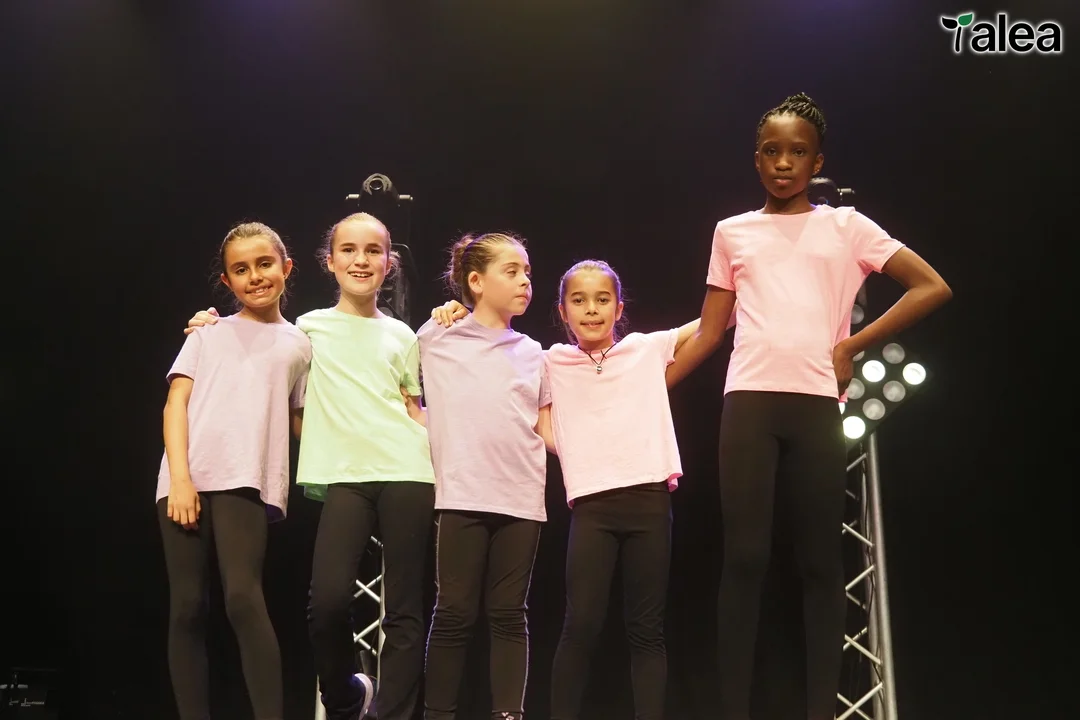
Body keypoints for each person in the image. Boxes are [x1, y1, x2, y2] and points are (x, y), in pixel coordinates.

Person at [665, 92, 953, 720]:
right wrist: (647, 388)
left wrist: (852, 345)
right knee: (745, 558)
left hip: (816, 402)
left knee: (820, 561)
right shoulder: (732, 232)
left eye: (797, 152)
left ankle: (821, 710)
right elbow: (710, 333)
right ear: (756, 159)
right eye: (772, 151)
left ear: (817, 161)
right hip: (749, 402)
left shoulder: (847, 227)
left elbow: (931, 286)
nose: (783, 162)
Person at [430, 259, 731, 720]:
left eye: (602, 299)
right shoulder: (549, 360)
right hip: (592, 508)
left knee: (646, 630)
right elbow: (527, 408)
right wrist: (454, 312)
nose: (592, 309)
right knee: (581, 625)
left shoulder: (645, 349)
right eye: (579, 300)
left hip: (650, 503)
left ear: (619, 308)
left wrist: (753, 281)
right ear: (563, 311)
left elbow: (715, 321)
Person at [186, 213, 436, 720]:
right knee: (327, 603)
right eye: (349, 250)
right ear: (330, 262)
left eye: (373, 251)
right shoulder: (307, 330)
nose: (360, 260)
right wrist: (208, 322)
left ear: (389, 263)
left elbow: (413, 407)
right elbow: (277, 380)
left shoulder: (403, 334)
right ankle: (346, 698)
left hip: (407, 469)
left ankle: (391, 715)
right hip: (344, 475)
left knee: (405, 609)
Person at [158, 222, 311, 720]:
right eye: (240, 270)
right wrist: (181, 479)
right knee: (187, 605)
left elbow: (300, 420)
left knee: (244, 598)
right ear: (227, 281)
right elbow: (176, 403)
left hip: (245, 478)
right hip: (185, 477)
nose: (255, 276)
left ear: (286, 268)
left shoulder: (301, 344)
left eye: (264, 264)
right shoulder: (208, 332)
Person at [415, 232, 552, 720]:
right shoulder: (436, 338)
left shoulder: (533, 352)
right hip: (462, 495)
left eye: (527, 272)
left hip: (521, 498)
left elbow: (546, 427)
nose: (524, 281)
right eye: (511, 271)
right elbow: (403, 395)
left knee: (509, 613)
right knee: (453, 612)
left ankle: (508, 715)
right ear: (476, 281)